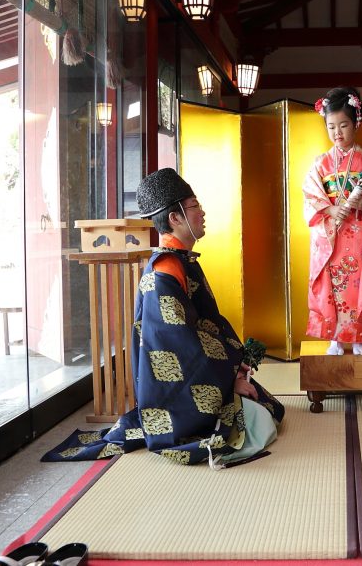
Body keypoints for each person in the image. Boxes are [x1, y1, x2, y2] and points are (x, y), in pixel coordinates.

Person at [42, 168, 285, 467]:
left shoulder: (180, 260)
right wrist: (229, 377)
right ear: (176, 217)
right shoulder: (166, 270)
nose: (203, 212)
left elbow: (207, 325)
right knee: (258, 421)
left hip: (197, 372)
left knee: (267, 407)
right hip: (176, 392)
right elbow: (179, 347)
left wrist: (234, 366)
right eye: (195, 206)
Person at [303, 86, 362, 356]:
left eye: (343, 125)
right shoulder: (321, 164)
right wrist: (329, 211)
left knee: (359, 284)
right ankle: (334, 339)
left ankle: (358, 337)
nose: (337, 133)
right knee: (333, 285)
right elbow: (310, 194)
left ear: (356, 123)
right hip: (333, 235)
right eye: (331, 127)